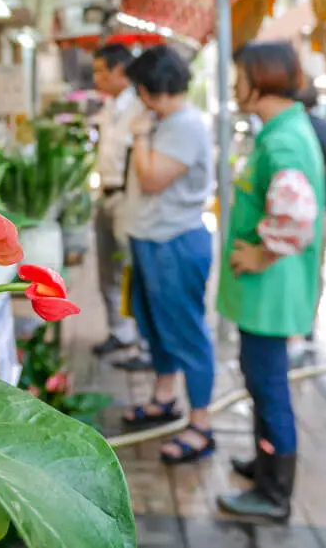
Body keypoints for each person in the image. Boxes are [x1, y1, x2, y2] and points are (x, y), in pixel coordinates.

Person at [217, 42, 324, 522]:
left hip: (270, 293)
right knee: (261, 381)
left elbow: (298, 212)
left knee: (269, 385)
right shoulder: (283, 130)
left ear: (259, 79)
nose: (235, 85)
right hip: (267, 295)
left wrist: (262, 253)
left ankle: (275, 493)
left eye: (239, 75)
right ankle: (265, 465)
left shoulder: (282, 140)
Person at [119, 45, 217, 465]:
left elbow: (154, 178)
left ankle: (201, 424)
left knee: (186, 333)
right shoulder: (166, 119)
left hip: (174, 242)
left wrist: (139, 136)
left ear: (146, 88)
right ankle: (164, 398)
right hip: (152, 239)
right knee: (155, 326)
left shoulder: (184, 125)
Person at [89, 44, 142, 357]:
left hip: (128, 199)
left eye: (100, 70)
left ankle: (143, 341)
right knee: (106, 270)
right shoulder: (108, 109)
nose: (96, 77)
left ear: (119, 71)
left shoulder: (140, 108)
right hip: (105, 196)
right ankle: (119, 333)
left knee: (131, 271)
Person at [290, 82, 326, 361]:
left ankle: (293, 328)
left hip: (291, 212)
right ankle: (307, 326)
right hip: (320, 212)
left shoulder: (287, 129)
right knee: (314, 269)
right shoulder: (325, 129)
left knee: (292, 268)